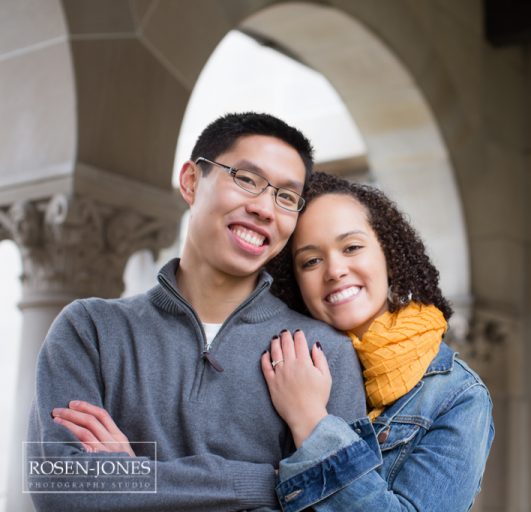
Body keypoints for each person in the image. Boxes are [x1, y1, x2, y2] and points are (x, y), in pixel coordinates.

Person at [26, 113, 366, 511]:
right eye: (246, 179)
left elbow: (344, 505)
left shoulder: (323, 353)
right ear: (190, 181)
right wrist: (269, 482)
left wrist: (134, 477)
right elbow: (60, 489)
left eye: (286, 197)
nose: (264, 208)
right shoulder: (90, 330)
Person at [259, 172, 495, 511]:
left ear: (389, 255)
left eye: (352, 247)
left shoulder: (457, 396)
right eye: (311, 261)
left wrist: (310, 421)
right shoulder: (280, 363)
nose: (335, 270)